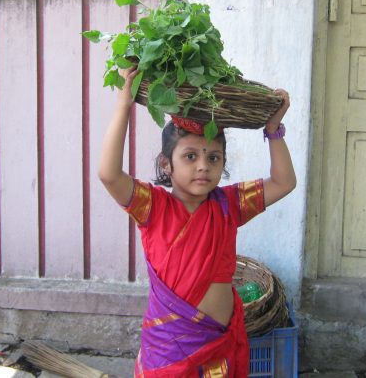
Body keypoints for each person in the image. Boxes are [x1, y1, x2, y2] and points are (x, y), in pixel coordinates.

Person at [98, 68, 297, 377]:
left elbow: (283, 182)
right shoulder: (153, 208)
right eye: (190, 157)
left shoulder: (229, 205)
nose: (203, 166)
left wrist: (273, 129)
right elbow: (109, 174)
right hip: (169, 351)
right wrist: (124, 103)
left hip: (217, 349)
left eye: (214, 158)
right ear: (166, 164)